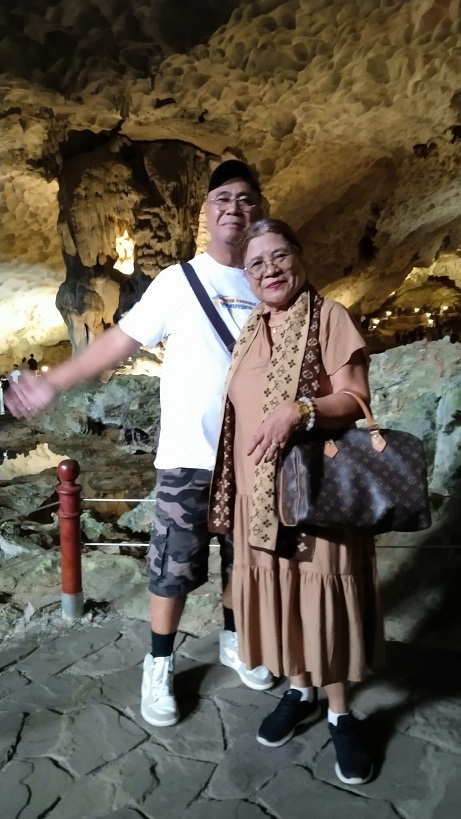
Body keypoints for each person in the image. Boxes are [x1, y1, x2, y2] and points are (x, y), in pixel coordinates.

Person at [5, 159, 273, 728]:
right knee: (171, 570)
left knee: (245, 562)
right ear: (207, 212)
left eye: (246, 199)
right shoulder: (179, 282)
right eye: (222, 199)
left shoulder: (266, 279)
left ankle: (234, 640)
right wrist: (53, 381)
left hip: (255, 459)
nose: (234, 208)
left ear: (259, 210)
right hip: (188, 457)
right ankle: (159, 662)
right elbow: (119, 342)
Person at [209, 218, 385, 785]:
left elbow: (354, 398)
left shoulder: (329, 317)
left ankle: (340, 713)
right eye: (257, 264)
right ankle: (300, 689)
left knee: (322, 595)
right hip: (259, 499)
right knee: (285, 595)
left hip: (316, 495)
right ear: (247, 276)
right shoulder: (249, 330)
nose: (270, 270)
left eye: (280, 256)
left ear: (299, 257)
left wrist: (300, 410)